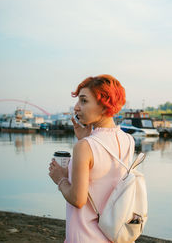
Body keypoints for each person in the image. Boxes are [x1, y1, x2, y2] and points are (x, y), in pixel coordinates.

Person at [48, 74, 133, 242]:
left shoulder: (85, 147)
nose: (76, 107)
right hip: (113, 235)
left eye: (84, 101)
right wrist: (85, 139)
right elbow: (105, 181)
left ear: (104, 105)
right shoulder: (128, 140)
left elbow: (78, 200)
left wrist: (61, 179)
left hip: (85, 236)